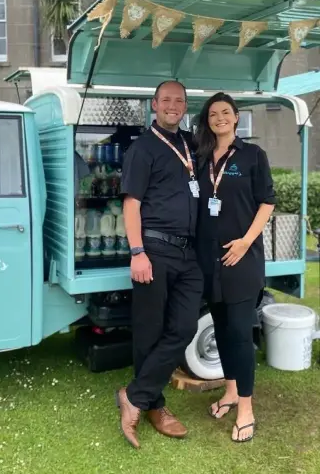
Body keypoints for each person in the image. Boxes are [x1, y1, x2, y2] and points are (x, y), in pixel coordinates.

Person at [115, 80, 204, 448]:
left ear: (185, 107)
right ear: (154, 104)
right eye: (166, 100)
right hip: (153, 250)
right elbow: (131, 204)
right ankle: (155, 405)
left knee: (183, 328)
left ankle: (135, 395)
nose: (172, 105)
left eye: (179, 101)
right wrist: (138, 253)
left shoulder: (190, 144)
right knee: (150, 331)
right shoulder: (144, 148)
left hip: (188, 254)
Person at [193, 92, 275, 443]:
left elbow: (267, 202)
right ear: (207, 120)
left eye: (226, 112)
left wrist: (245, 241)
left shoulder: (253, 155)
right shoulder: (200, 158)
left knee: (241, 335)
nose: (220, 118)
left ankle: (246, 409)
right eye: (214, 113)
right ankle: (229, 391)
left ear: (237, 117)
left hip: (242, 259)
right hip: (209, 261)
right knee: (223, 329)